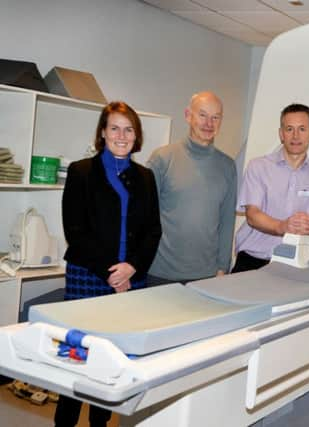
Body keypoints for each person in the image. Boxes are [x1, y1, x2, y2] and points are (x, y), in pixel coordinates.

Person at [56, 101, 162, 427]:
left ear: (136, 135)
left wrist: (132, 267)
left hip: (132, 279)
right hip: (88, 277)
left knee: (111, 360)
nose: (121, 135)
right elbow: (75, 231)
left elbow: (152, 231)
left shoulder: (145, 176)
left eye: (128, 129)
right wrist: (113, 273)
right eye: (114, 127)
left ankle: (100, 424)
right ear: (103, 132)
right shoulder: (81, 172)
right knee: (77, 358)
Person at [232, 103, 309, 273]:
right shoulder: (258, 167)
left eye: (302, 129)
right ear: (281, 134)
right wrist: (283, 227)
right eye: (289, 129)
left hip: (294, 265)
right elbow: (252, 215)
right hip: (253, 262)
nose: (295, 135)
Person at [146, 92, 237, 284]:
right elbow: (143, 217)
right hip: (159, 273)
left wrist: (223, 267)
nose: (208, 123)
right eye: (202, 115)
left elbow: (227, 221)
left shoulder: (228, 166)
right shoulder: (162, 158)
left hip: (207, 276)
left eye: (215, 117)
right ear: (188, 115)